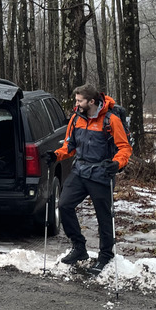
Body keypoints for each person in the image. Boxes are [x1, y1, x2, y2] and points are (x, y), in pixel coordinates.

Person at [47, 84, 132, 273]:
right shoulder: (76, 119)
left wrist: (116, 163)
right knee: (64, 205)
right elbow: (69, 146)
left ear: (91, 101)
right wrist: (55, 155)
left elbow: (124, 148)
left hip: (101, 174)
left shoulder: (111, 120)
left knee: (104, 218)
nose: (76, 104)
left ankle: (105, 256)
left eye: (79, 101)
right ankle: (79, 248)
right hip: (80, 171)